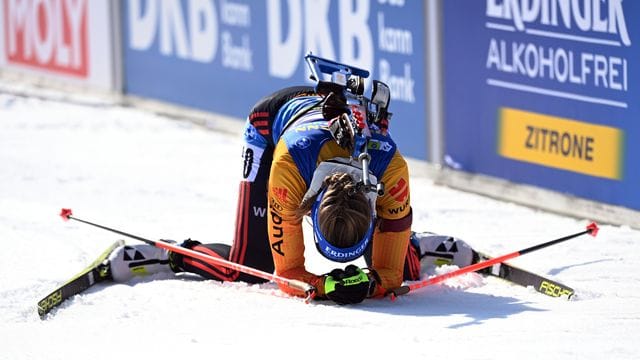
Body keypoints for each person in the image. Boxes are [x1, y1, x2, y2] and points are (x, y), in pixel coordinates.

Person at [105, 56, 476, 305]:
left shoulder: (391, 170)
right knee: (249, 268)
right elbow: (288, 275)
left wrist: (372, 282)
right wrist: (325, 287)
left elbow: (390, 276)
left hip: (342, 148)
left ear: (372, 206)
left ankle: (420, 247)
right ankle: (172, 253)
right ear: (310, 209)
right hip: (273, 129)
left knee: (399, 267)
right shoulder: (289, 173)